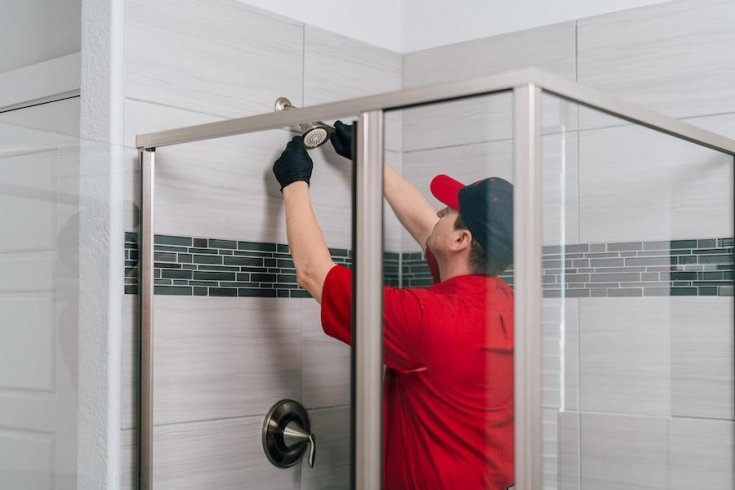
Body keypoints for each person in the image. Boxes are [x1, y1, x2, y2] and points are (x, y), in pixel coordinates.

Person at [272, 121, 515, 490]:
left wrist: (294, 183)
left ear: (463, 239)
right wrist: (370, 160)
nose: (438, 212)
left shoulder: (430, 319)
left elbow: (313, 274)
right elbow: (426, 227)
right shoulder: (502, 301)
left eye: (448, 210)